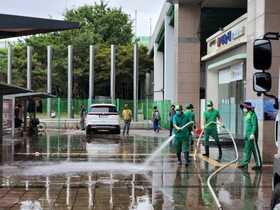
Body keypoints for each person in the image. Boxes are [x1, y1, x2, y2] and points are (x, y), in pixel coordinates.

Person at [238, 102, 262, 170]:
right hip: (247, 135)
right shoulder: (248, 114)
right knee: (247, 149)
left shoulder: (253, 114)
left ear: (248, 107)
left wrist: (253, 133)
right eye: (243, 107)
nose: (244, 108)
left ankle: (259, 164)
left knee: (255, 149)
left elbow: (255, 125)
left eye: (245, 107)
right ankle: (245, 164)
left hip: (252, 135)